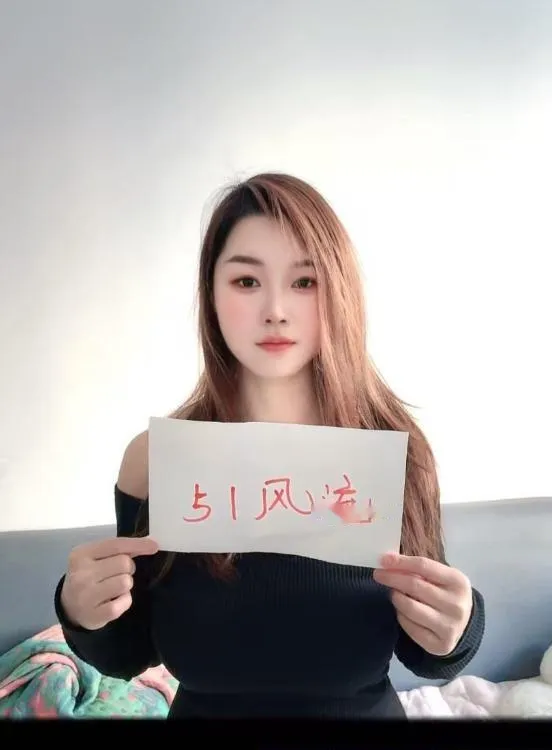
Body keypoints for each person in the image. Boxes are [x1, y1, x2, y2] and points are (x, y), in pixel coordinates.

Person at [54, 172, 485, 719]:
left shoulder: (396, 453)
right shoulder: (155, 459)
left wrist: (460, 626)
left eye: (304, 282)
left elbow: (428, 654)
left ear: (340, 292)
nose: (276, 309)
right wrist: (80, 611)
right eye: (246, 281)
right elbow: (128, 652)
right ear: (211, 294)